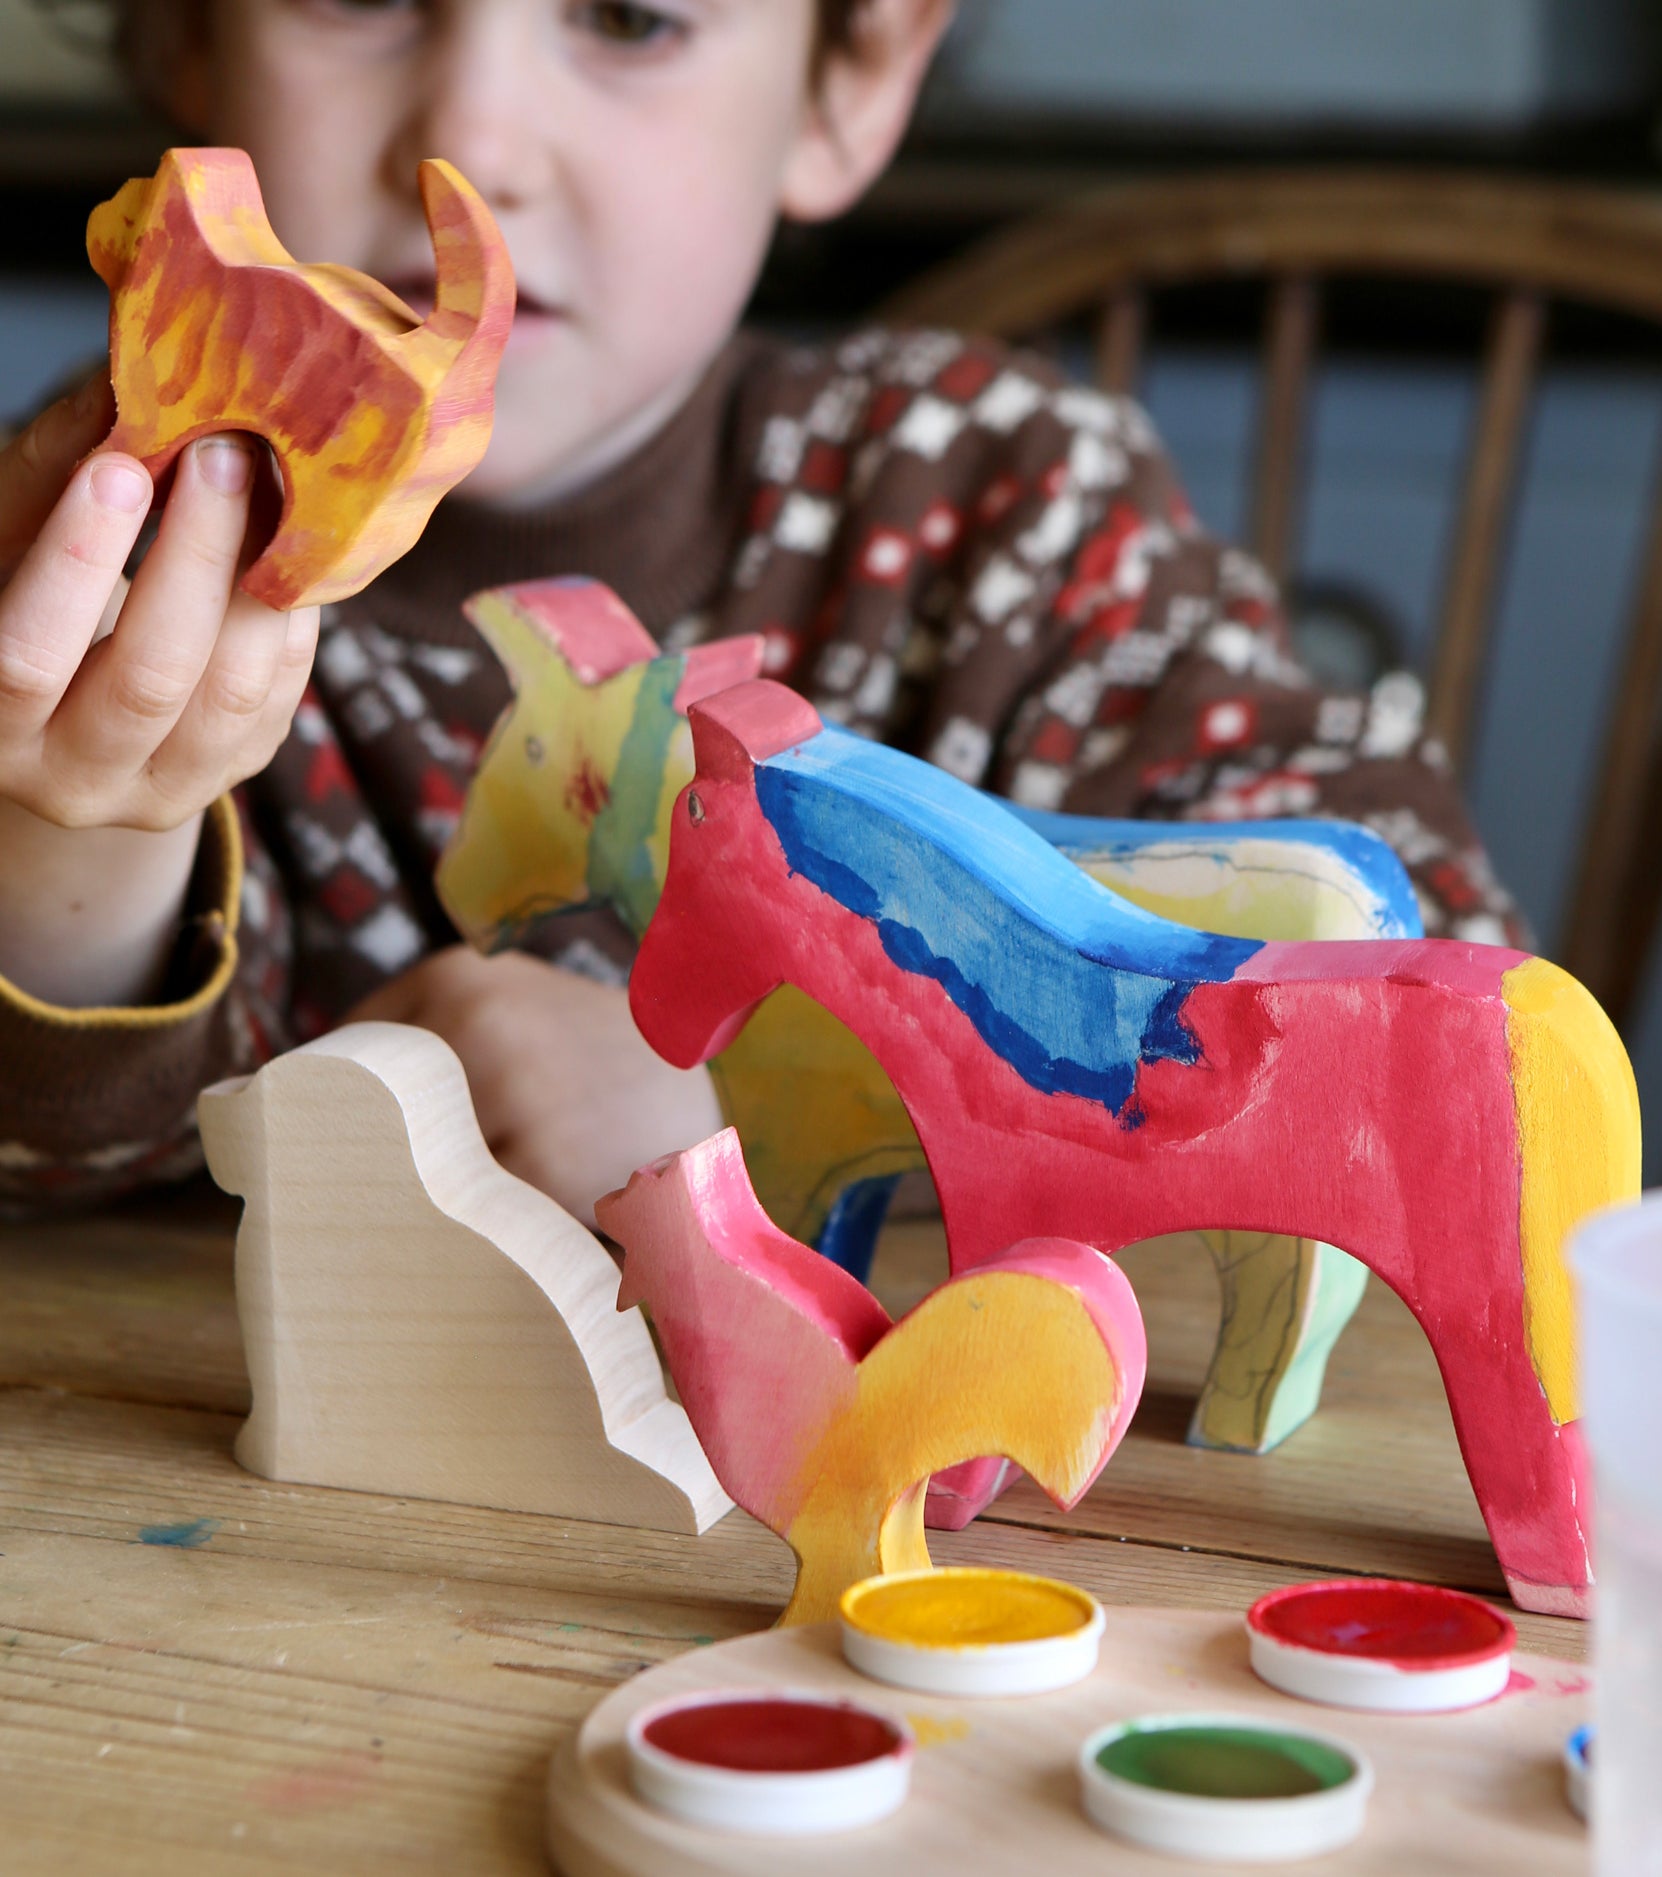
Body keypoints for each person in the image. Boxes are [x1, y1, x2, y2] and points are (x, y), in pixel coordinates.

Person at [0, 0, 1519, 1224]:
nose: (470, 138)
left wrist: (789, 1119)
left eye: (628, 20)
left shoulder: (998, 503)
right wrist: (73, 826)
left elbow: (1441, 995)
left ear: (847, 81)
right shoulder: (84, 534)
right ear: (184, 38)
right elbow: (71, 1187)